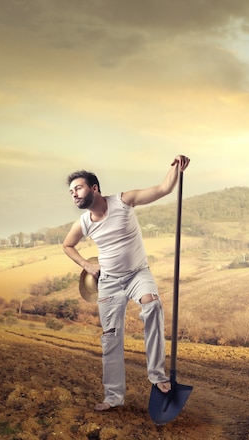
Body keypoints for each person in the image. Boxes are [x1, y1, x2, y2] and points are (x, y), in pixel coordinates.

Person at [63, 154, 190, 412]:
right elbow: (67, 245)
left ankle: (157, 376)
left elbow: (162, 189)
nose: (74, 194)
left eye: (78, 188)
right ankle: (113, 397)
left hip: (138, 274)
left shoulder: (123, 201)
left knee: (153, 306)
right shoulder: (84, 222)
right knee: (110, 339)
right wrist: (87, 265)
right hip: (108, 282)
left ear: (94, 188)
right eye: (71, 191)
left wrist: (177, 168)